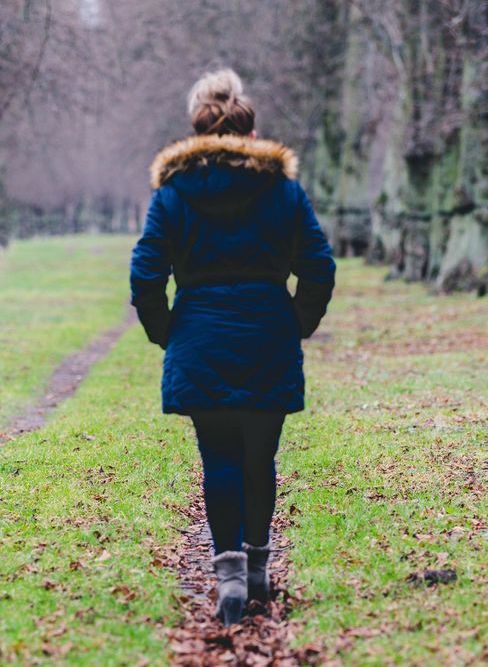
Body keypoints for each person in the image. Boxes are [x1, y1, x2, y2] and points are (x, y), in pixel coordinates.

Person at [130, 69, 336, 626]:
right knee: (259, 458)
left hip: (201, 336)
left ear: (197, 125)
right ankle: (259, 566)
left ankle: (227, 578)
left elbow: (145, 273)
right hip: (268, 331)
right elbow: (319, 266)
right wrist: (298, 321)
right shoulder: (284, 191)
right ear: (248, 126)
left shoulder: (172, 194)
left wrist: (167, 331)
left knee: (218, 458)